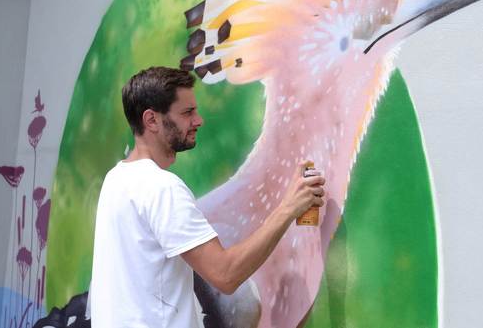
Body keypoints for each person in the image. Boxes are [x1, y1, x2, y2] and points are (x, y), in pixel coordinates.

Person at [88, 66, 325, 327]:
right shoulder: (160, 188)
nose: (198, 120)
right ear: (151, 120)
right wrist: (289, 208)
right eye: (187, 112)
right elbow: (225, 275)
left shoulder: (116, 179)